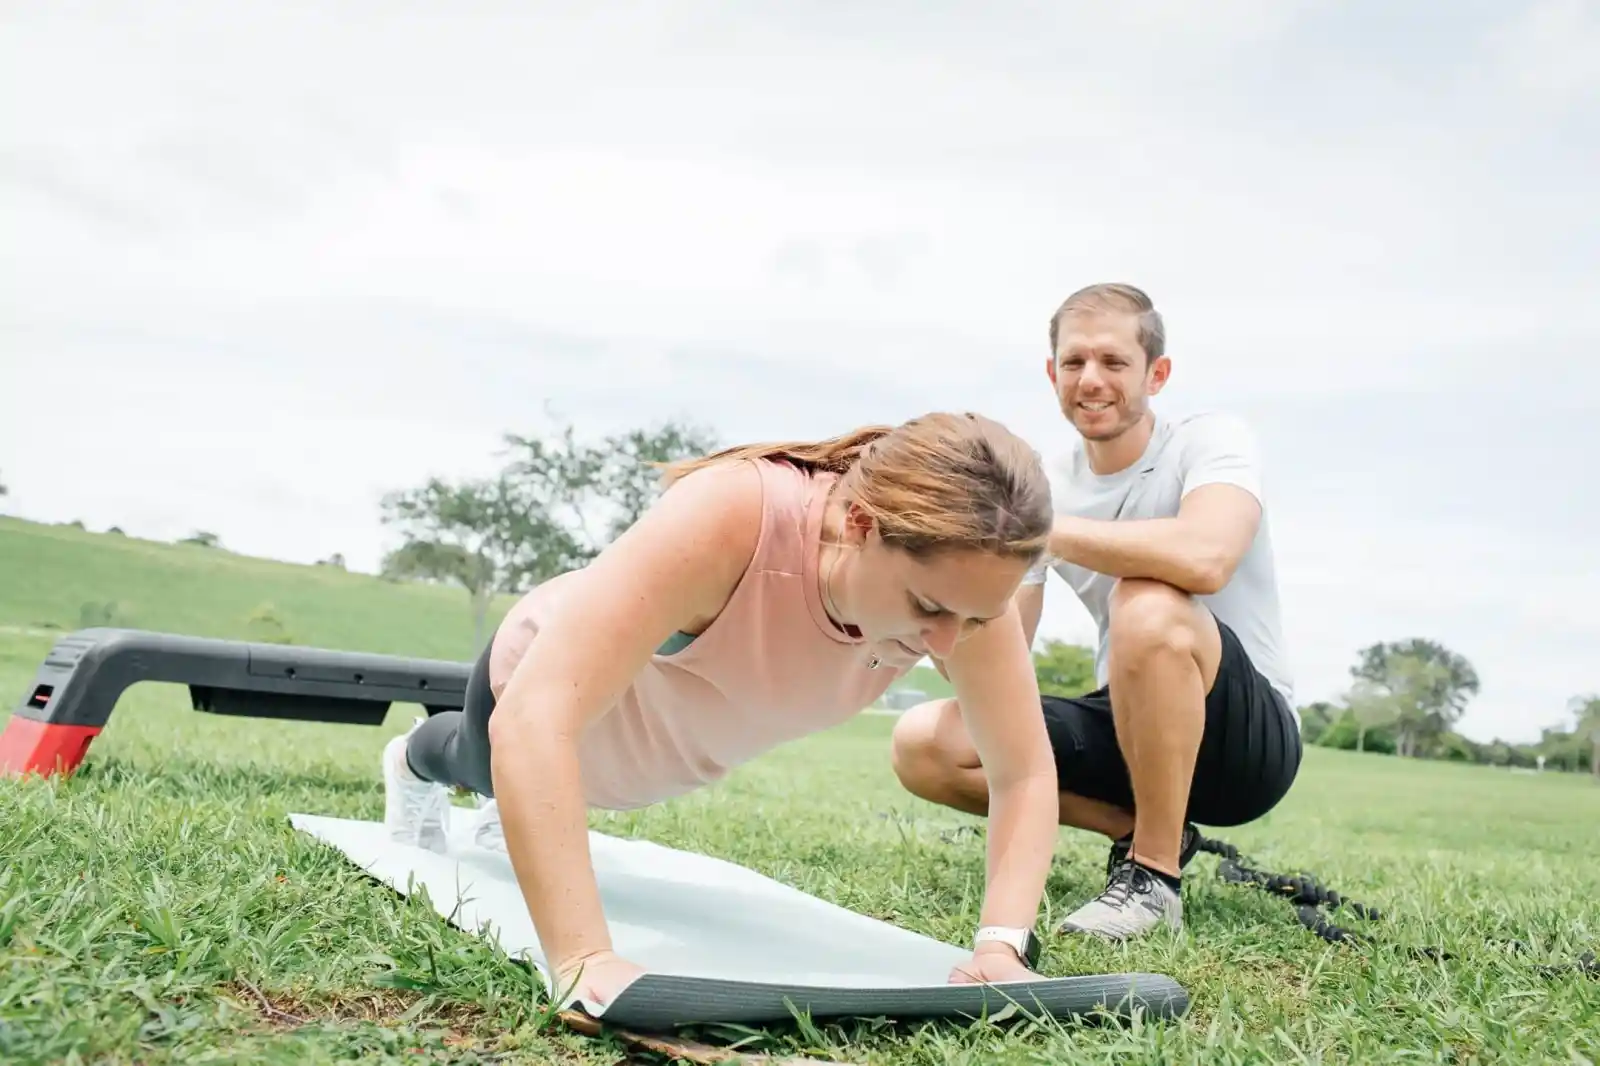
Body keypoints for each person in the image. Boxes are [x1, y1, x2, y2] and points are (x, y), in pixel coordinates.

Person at [381, 412, 1067, 1008]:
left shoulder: (968, 596)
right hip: (529, 701)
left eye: (976, 618)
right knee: (472, 763)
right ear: (860, 524)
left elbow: (1023, 772)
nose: (948, 644)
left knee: (540, 791)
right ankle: (413, 758)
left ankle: (520, 809)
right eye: (927, 608)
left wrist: (1001, 947)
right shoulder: (736, 514)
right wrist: (584, 957)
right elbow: (533, 723)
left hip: (655, 761)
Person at [890, 283, 1302, 942]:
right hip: (1131, 723)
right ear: (1052, 374)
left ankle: (1153, 880)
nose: (1092, 379)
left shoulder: (1211, 441)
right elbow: (1004, 653)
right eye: (1075, 362)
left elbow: (1206, 558)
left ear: (1156, 374)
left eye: (1114, 362)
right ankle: (1137, 830)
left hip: (1244, 743)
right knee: (923, 742)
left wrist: (1041, 530)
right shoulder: (1043, 481)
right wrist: (943, 586)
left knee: (1147, 599)